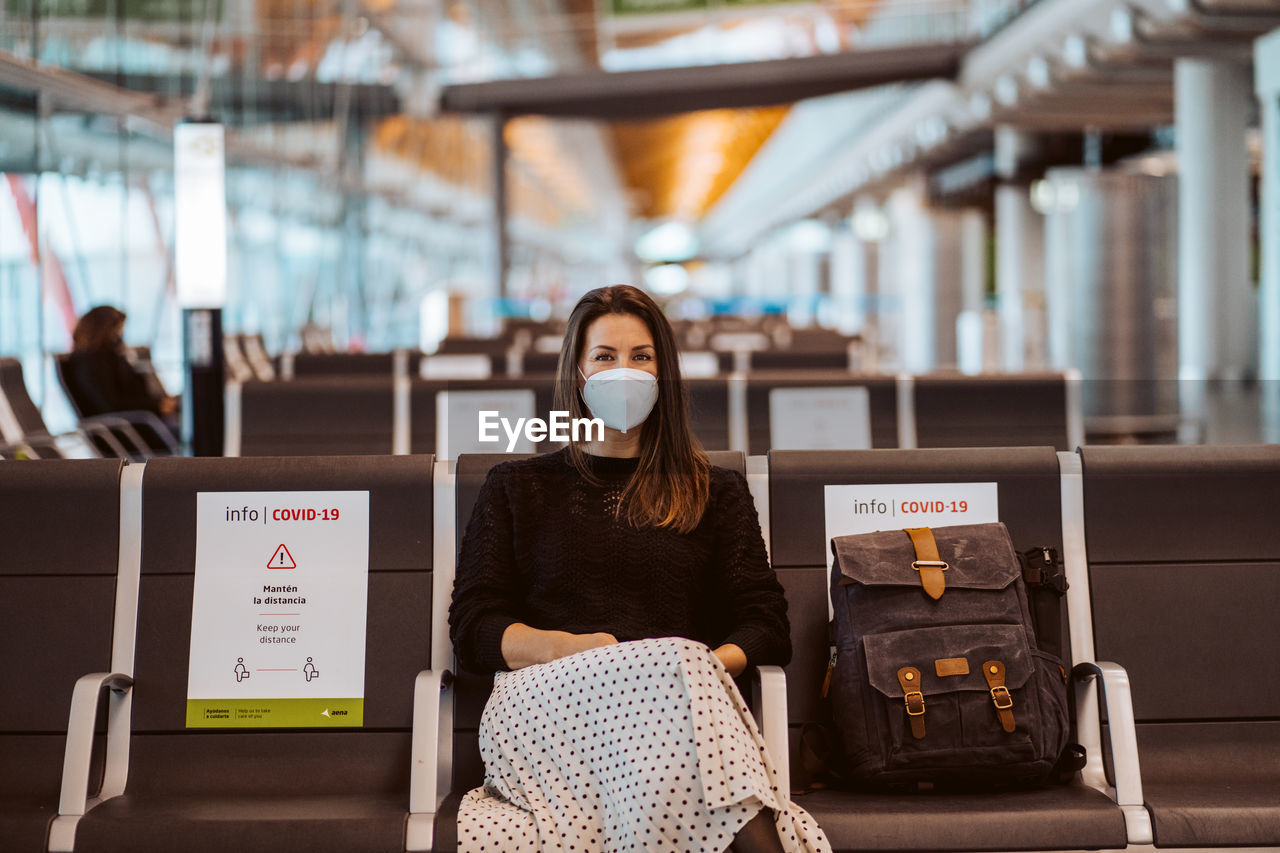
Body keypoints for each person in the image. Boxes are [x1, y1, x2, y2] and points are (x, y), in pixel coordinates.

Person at [449, 285, 830, 853]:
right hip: (549, 710)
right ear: (577, 373)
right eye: (605, 356)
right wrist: (570, 649)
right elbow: (473, 626)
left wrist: (687, 671)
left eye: (641, 357)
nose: (622, 370)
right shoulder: (517, 487)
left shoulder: (714, 491)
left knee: (673, 707)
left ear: (663, 373)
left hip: (681, 715)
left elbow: (765, 622)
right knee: (708, 779)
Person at [64, 305, 178, 449]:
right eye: (117, 331)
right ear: (104, 331)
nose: (120, 336)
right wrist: (157, 406)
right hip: (126, 431)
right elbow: (110, 405)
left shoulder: (109, 357)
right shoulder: (89, 363)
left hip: (138, 423)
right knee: (197, 432)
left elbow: (132, 390)